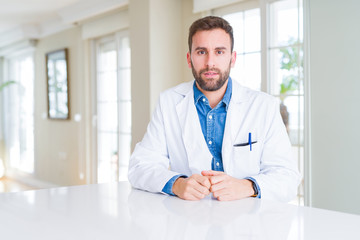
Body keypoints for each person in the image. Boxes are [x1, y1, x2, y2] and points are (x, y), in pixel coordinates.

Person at [128, 16, 300, 202]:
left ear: (232, 58)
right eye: (202, 52)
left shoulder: (264, 106)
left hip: (246, 224)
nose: (210, 63)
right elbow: (140, 167)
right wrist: (177, 184)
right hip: (187, 221)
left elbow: (288, 177)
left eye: (219, 52)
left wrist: (247, 186)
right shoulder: (168, 102)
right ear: (189, 58)